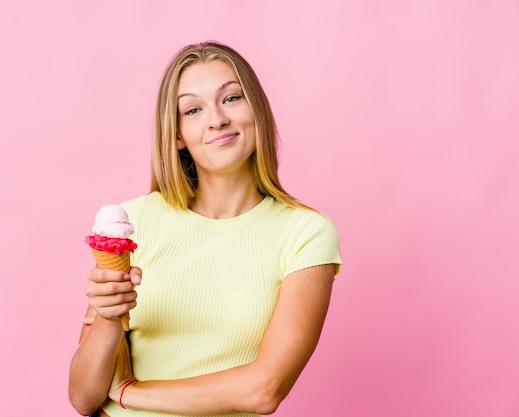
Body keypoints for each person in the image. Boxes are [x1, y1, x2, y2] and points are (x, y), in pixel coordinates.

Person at [68, 41, 342, 417]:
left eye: (231, 99)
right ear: (177, 134)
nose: (216, 119)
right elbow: (83, 398)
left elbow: (263, 392)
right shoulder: (134, 222)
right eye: (193, 109)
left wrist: (130, 393)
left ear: (256, 110)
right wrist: (108, 318)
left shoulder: (306, 233)